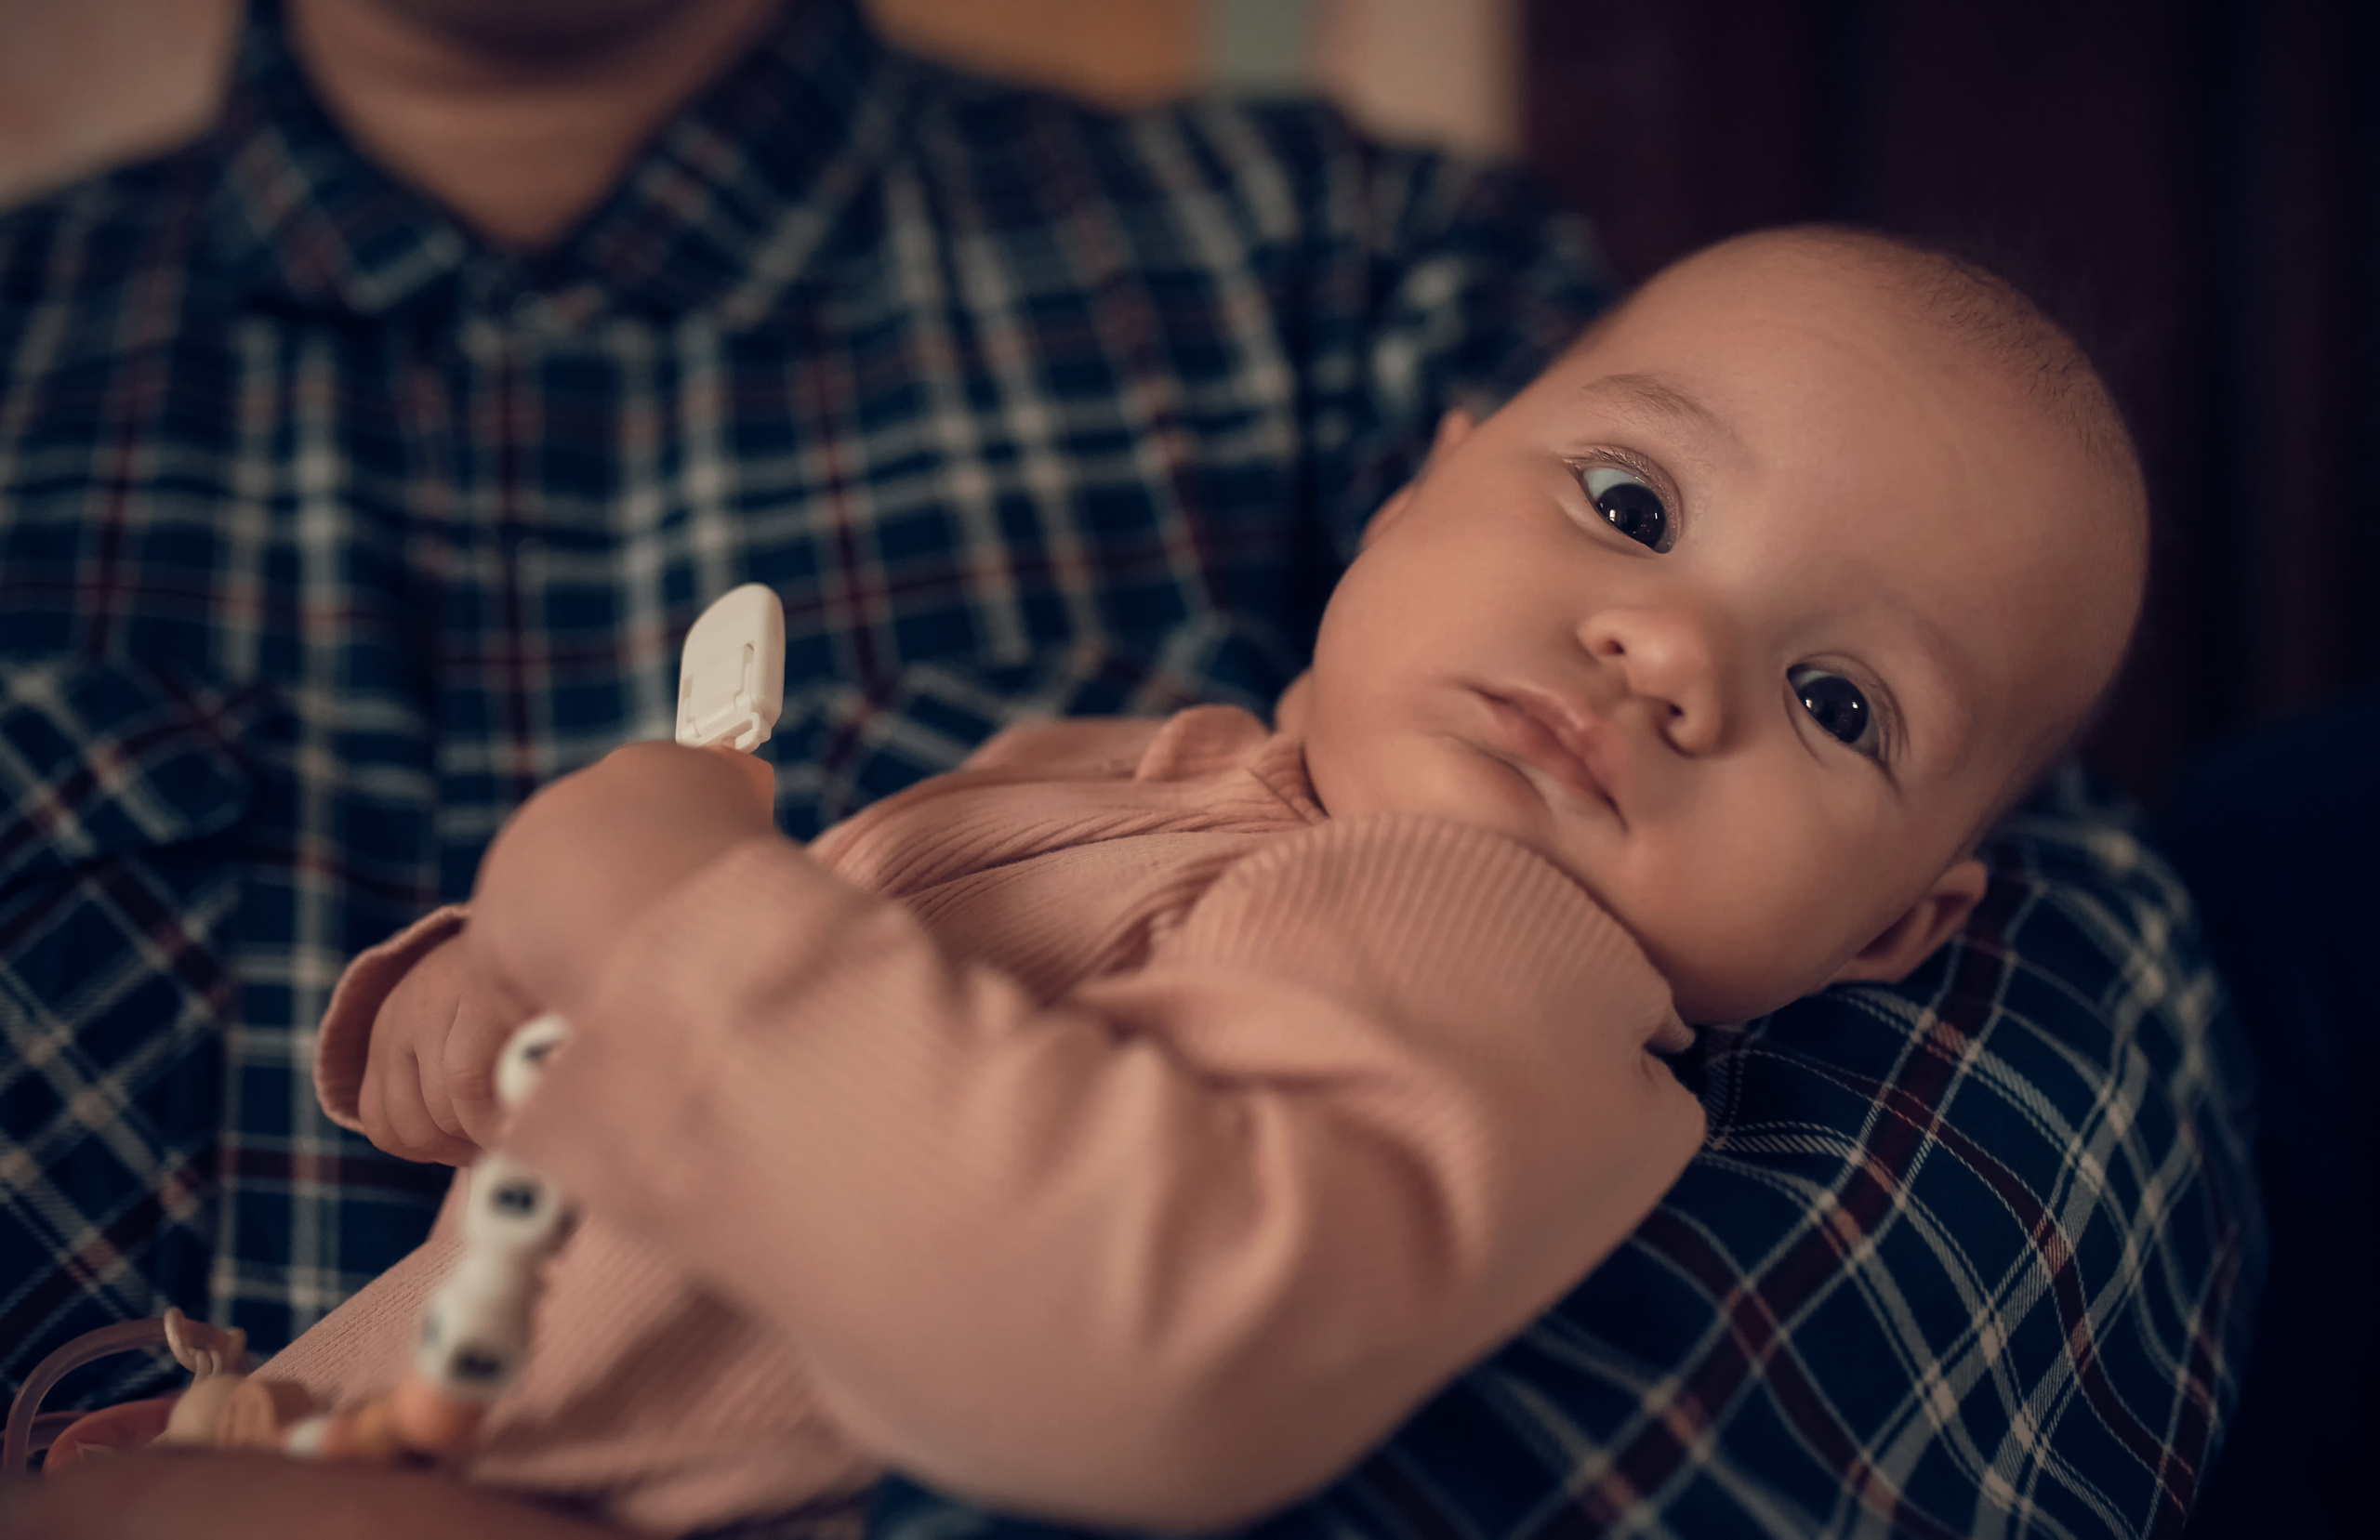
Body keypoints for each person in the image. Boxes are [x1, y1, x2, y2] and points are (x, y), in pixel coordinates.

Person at [0, 2, 2255, 1538]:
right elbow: (754, 1103)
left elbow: (1147, 1341)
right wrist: (500, 997)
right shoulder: (1162, 775)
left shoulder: (1475, 941)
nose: (1669, 650)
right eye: (1626, 507)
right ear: (1419, 482)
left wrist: (668, 924)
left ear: (1891, 928)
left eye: (1839, 704)